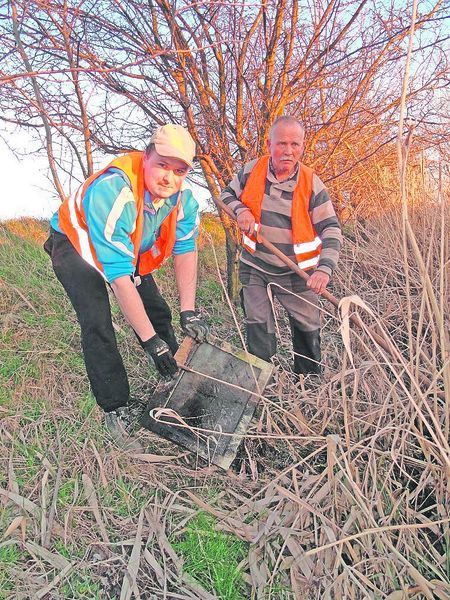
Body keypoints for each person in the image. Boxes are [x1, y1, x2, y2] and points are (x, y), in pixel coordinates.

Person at [44, 124, 208, 449]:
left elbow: (185, 250)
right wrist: (150, 343)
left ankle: (175, 385)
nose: (168, 177)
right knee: (98, 323)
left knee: (156, 310)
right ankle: (115, 407)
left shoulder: (183, 201)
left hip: (121, 246)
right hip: (75, 245)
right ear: (146, 156)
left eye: (179, 171)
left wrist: (188, 312)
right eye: (162, 164)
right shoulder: (115, 190)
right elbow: (120, 277)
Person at [220, 116, 342, 377]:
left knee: (308, 326)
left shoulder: (311, 183)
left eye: (295, 144)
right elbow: (225, 195)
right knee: (257, 323)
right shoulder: (251, 170)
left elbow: (332, 229)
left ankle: (307, 385)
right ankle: (263, 382)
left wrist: (324, 270)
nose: (288, 151)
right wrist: (241, 210)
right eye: (282, 143)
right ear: (269, 144)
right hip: (256, 263)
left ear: (302, 146)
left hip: (297, 272)